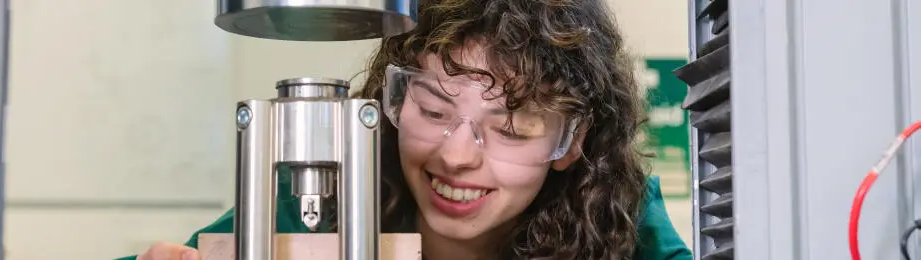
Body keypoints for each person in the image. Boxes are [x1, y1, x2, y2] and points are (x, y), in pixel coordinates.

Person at [124, 0, 692, 259]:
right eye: (435, 112)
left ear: (573, 142)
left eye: (512, 128)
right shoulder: (321, 198)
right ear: (389, 102)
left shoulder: (617, 214)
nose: (458, 158)